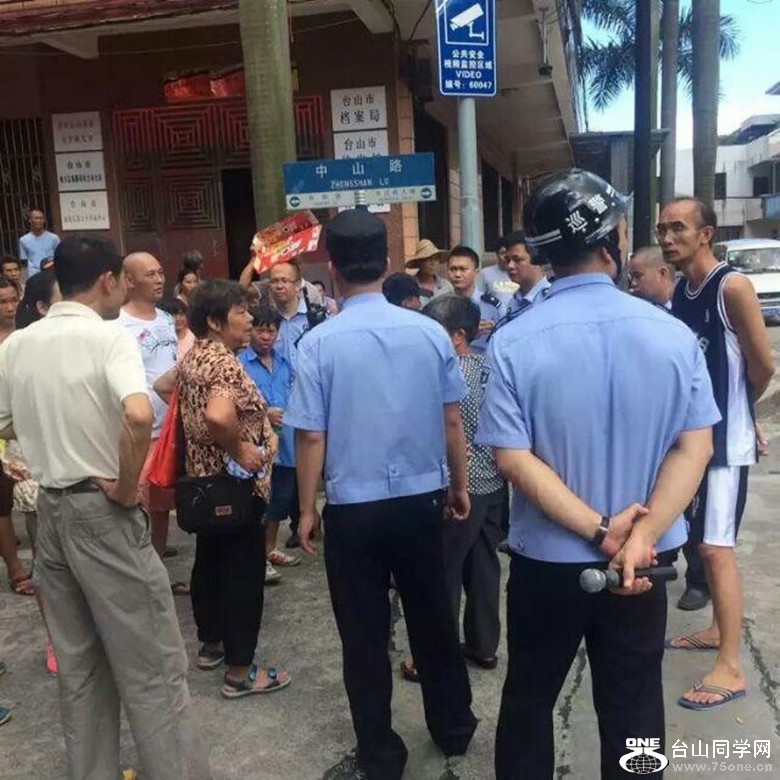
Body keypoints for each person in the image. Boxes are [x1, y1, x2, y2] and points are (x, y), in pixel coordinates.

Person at [476, 169, 720, 779]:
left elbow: (512, 458)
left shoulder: (513, 342)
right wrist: (639, 536)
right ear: (613, 239)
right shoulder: (673, 336)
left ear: (541, 252)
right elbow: (694, 447)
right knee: (635, 706)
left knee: (530, 701)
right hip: (642, 565)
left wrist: (599, 529)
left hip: (548, 564)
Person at [0, 234, 210, 779]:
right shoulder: (107, 337)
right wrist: (124, 485)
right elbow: (139, 415)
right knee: (152, 666)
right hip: (101, 510)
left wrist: (44, 448)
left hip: (51, 512)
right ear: (108, 280)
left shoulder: (17, 344)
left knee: (80, 668)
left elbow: (5, 425)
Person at [286, 208, 477, 780]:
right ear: (388, 260)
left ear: (332, 266)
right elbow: (451, 419)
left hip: (354, 508)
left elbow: (311, 435)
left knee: (364, 634)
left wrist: (306, 509)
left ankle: (381, 753)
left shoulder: (318, 344)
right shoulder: (428, 332)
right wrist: (459, 485)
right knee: (434, 616)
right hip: (422, 500)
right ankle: (454, 727)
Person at [662, 197, 775, 710]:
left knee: (715, 548)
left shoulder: (731, 288)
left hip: (725, 445)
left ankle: (731, 668)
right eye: (662, 229)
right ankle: (714, 630)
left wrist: (743, 416)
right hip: (696, 442)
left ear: (705, 234)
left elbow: (762, 365)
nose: (667, 238)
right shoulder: (681, 291)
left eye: (678, 228)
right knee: (702, 541)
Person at [178, 280, 290, 699]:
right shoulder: (224, 363)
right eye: (241, 312)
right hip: (235, 488)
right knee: (243, 574)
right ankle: (240, 672)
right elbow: (219, 416)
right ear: (214, 320)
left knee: (210, 562)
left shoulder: (195, 356)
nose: (249, 318)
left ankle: (212, 644)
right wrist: (242, 448)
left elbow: (167, 386)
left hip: (203, 487)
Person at [422, 295, 506, 668]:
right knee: (484, 566)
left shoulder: (446, 374)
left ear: (458, 336)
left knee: (445, 569)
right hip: (494, 482)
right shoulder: (490, 369)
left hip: (460, 485)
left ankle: (436, 655)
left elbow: (447, 428)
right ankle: (483, 645)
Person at [1, 267, 62, 673]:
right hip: (32, 464)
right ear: (40, 306)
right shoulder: (17, 351)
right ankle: (56, 637)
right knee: (47, 558)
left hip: (77, 466)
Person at [118, 253, 186, 586]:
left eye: (160, 273)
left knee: (160, 506)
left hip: (167, 428)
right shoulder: (116, 325)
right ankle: (136, 577)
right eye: (150, 275)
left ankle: (157, 574)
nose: (159, 280)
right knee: (136, 506)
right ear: (128, 280)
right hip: (138, 430)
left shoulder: (166, 319)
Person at [239, 305, 301, 585]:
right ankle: (255, 558)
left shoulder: (285, 363)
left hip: (285, 445)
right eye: (260, 330)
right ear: (251, 331)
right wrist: (264, 413)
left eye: (271, 331)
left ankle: (269, 549)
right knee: (258, 502)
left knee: (279, 500)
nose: (265, 336)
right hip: (256, 445)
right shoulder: (240, 363)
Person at [0, 277, 25, 598]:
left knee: (35, 501)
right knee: (2, 504)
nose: (8, 307)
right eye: (2, 302)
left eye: (12, 300)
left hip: (26, 428)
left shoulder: (26, 338)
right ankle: (14, 567)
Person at [447, 245, 502, 354]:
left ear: (476, 272)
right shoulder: (442, 306)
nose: (457, 274)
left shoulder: (492, 306)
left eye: (463, 269)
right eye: (453, 269)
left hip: (484, 361)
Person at [504, 231, 551, 315]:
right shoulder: (513, 301)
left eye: (517, 260)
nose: (510, 266)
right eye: (507, 260)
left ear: (535, 259)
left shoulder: (549, 298)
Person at [477, 236, 519, 307]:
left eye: (508, 253)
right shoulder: (486, 273)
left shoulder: (519, 272)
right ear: (497, 254)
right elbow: (479, 297)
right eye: (502, 253)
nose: (506, 257)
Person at [18, 210, 59, 278]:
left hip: (51, 272)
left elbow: (59, 256)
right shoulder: (23, 240)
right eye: (36, 218)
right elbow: (24, 261)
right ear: (30, 220)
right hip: (33, 274)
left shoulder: (54, 238)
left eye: (41, 218)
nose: (39, 221)